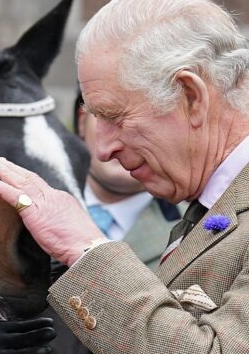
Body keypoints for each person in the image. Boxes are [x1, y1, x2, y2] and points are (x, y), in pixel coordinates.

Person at [0, 0, 249, 354]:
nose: (101, 150)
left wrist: (84, 247)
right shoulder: (231, 203)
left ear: (191, 95)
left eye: (115, 116)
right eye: (92, 119)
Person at [74, 93, 184, 270]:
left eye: (150, 120)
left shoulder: (199, 229)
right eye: (108, 116)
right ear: (82, 121)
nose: (123, 137)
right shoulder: (32, 209)